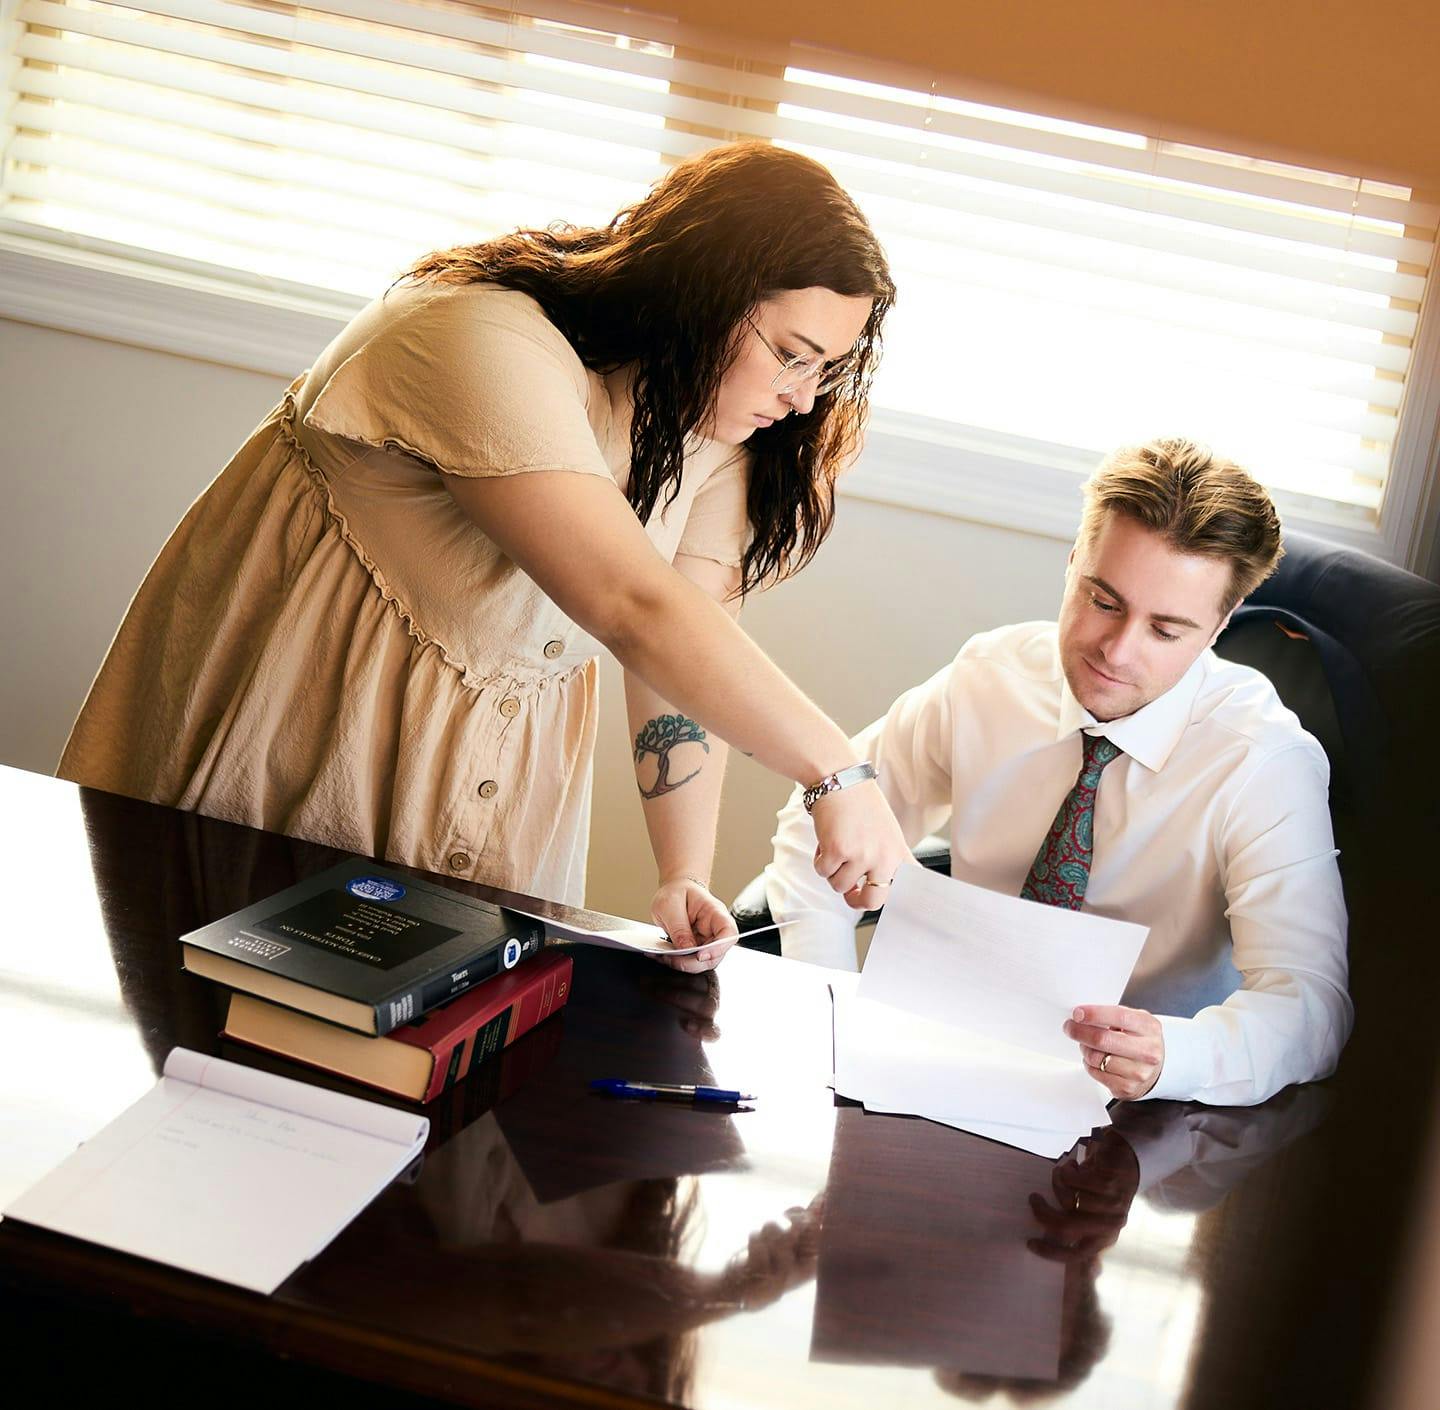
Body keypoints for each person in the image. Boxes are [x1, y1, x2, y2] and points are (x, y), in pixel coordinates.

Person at [58, 142, 914, 972]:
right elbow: (630, 604)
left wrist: (682, 870)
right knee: (227, 1012)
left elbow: (686, 642)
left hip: (504, 807)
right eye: (792, 355)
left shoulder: (711, 428)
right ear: (704, 289)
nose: (804, 398)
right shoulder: (476, 336)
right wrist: (836, 771)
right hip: (306, 734)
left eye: (825, 371)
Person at [764, 438, 1352, 1104]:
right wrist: (831, 1005)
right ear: (1073, 563)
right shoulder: (990, 678)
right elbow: (823, 816)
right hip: (942, 1052)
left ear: (1219, 626)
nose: (1117, 651)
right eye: (1104, 601)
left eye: (1165, 631)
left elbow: (1311, 1010)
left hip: (1142, 1112)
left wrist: (1175, 1057)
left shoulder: (1262, 763)